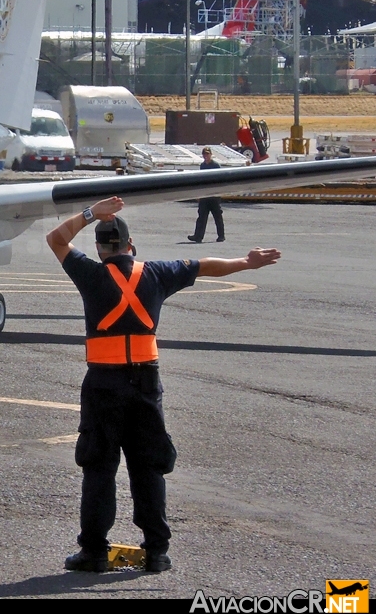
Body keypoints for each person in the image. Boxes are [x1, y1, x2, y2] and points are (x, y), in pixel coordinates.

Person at [46, 196, 280, 573]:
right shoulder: (156, 273)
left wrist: (92, 213)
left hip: (103, 383)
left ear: (99, 249)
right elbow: (205, 266)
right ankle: (156, 551)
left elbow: (56, 238)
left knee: (99, 466)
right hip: (144, 383)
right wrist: (245, 262)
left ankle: (93, 550)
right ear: (130, 246)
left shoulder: (89, 274)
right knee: (148, 466)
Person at [188, 147, 224, 243]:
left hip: (214, 195)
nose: (206, 156)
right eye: (204, 154)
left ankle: (221, 236)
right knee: (202, 216)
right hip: (204, 194)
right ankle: (198, 236)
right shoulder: (202, 165)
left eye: (207, 154)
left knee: (217, 216)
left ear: (211, 155)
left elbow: (220, 180)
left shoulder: (215, 165)